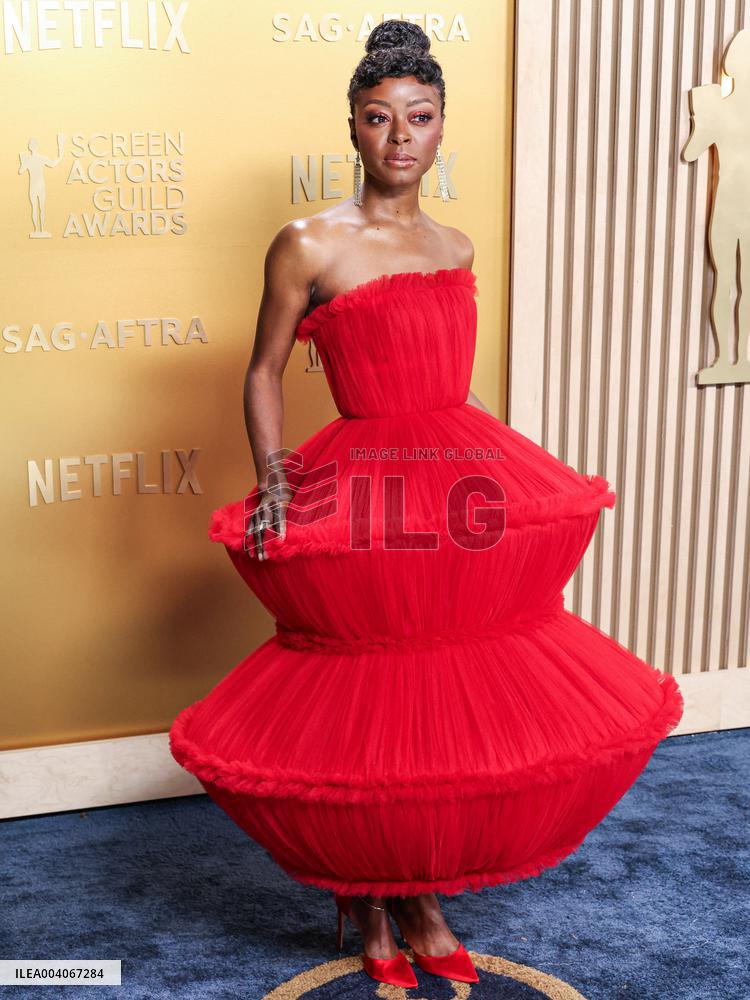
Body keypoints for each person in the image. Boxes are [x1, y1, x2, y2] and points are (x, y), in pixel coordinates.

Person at [169, 19, 684, 990]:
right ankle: (373, 901)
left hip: (448, 481)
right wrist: (274, 476)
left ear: (443, 126)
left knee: (428, 701)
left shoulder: (455, 244)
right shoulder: (308, 242)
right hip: (356, 487)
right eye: (379, 117)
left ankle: (416, 896)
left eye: (420, 116)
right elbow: (263, 371)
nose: (400, 135)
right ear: (353, 127)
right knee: (364, 690)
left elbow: (448, 386)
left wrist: (520, 465)